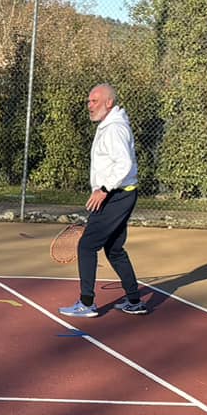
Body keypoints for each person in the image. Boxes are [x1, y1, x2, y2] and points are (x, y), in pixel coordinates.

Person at [58, 83, 151, 318]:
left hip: (116, 195)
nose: (89, 106)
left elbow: (124, 163)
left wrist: (104, 190)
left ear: (109, 103)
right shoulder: (108, 126)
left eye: (94, 101)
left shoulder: (114, 129)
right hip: (120, 194)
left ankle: (87, 303)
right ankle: (134, 300)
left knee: (87, 245)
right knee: (114, 248)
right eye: (89, 101)